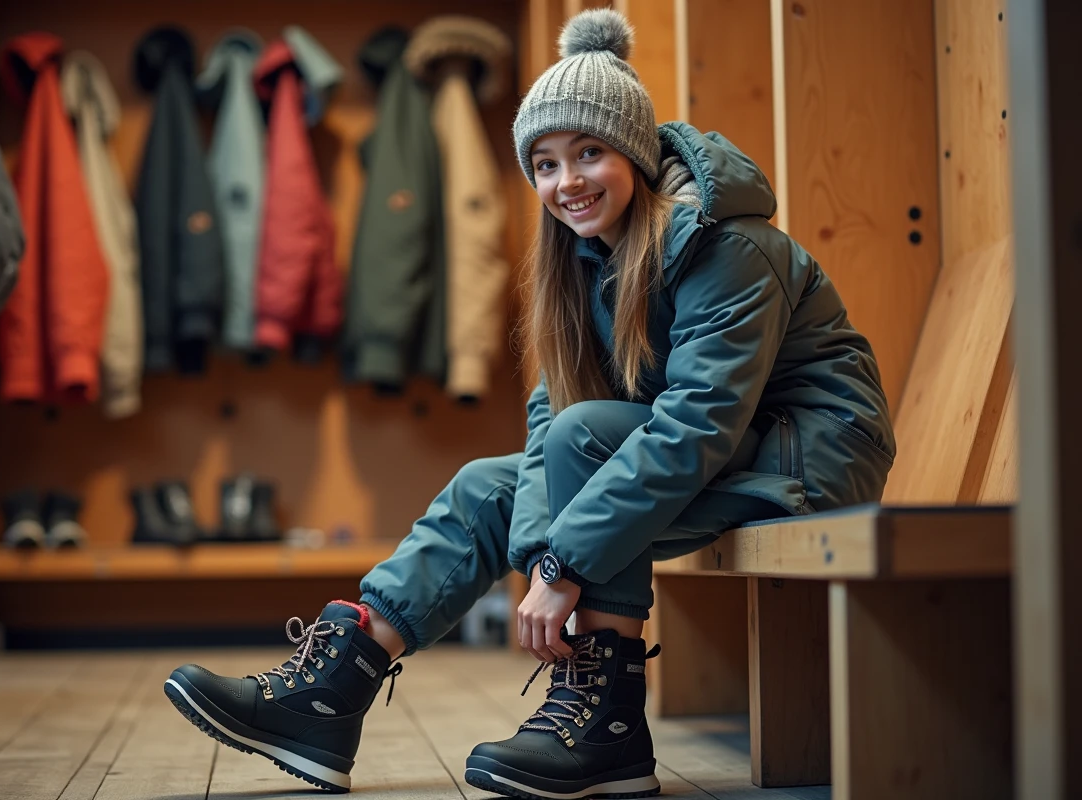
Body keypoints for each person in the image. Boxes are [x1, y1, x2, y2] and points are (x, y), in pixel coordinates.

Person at [162, 8, 896, 799]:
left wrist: (564, 564)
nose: (566, 182)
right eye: (544, 164)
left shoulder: (728, 245)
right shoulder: (588, 256)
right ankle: (332, 692)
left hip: (806, 456)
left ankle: (608, 725)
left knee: (588, 438)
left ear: (637, 153)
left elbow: (697, 424)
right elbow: (553, 413)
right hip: (722, 449)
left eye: (589, 152)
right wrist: (547, 548)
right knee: (489, 481)